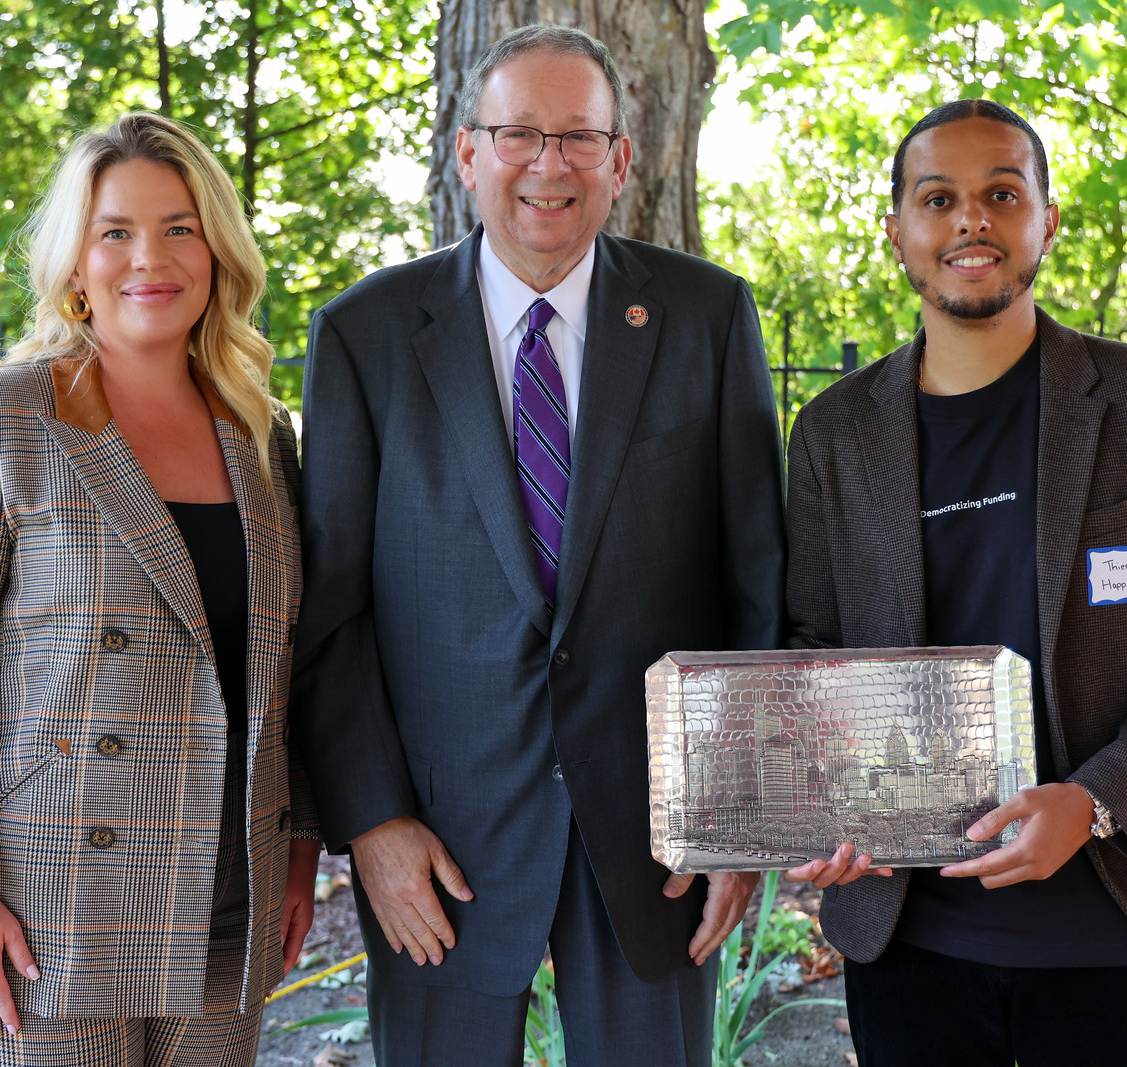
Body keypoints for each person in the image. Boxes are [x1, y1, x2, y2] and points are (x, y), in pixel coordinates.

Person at [290, 24, 785, 1067]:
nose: (548, 164)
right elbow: (330, 613)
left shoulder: (707, 317)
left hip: (660, 847)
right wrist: (372, 823)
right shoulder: (364, 336)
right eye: (518, 133)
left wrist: (741, 819)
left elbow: (755, 586)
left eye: (577, 137)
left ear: (620, 161)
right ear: (466, 154)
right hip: (439, 847)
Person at [782, 100, 1127, 1066]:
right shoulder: (833, 433)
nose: (972, 221)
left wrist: (1092, 801)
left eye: (1003, 194)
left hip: (1119, 939)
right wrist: (827, 802)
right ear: (898, 233)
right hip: (912, 943)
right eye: (940, 199)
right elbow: (814, 650)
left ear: (1047, 220)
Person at [0, 111, 320, 1066]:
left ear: (217, 252)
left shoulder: (260, 437)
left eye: (178, 227)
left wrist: (300, 846)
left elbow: (290, 665)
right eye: (114, 230)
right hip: (33, 911)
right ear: (75, 261)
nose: (147, 258)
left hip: (223, 898)